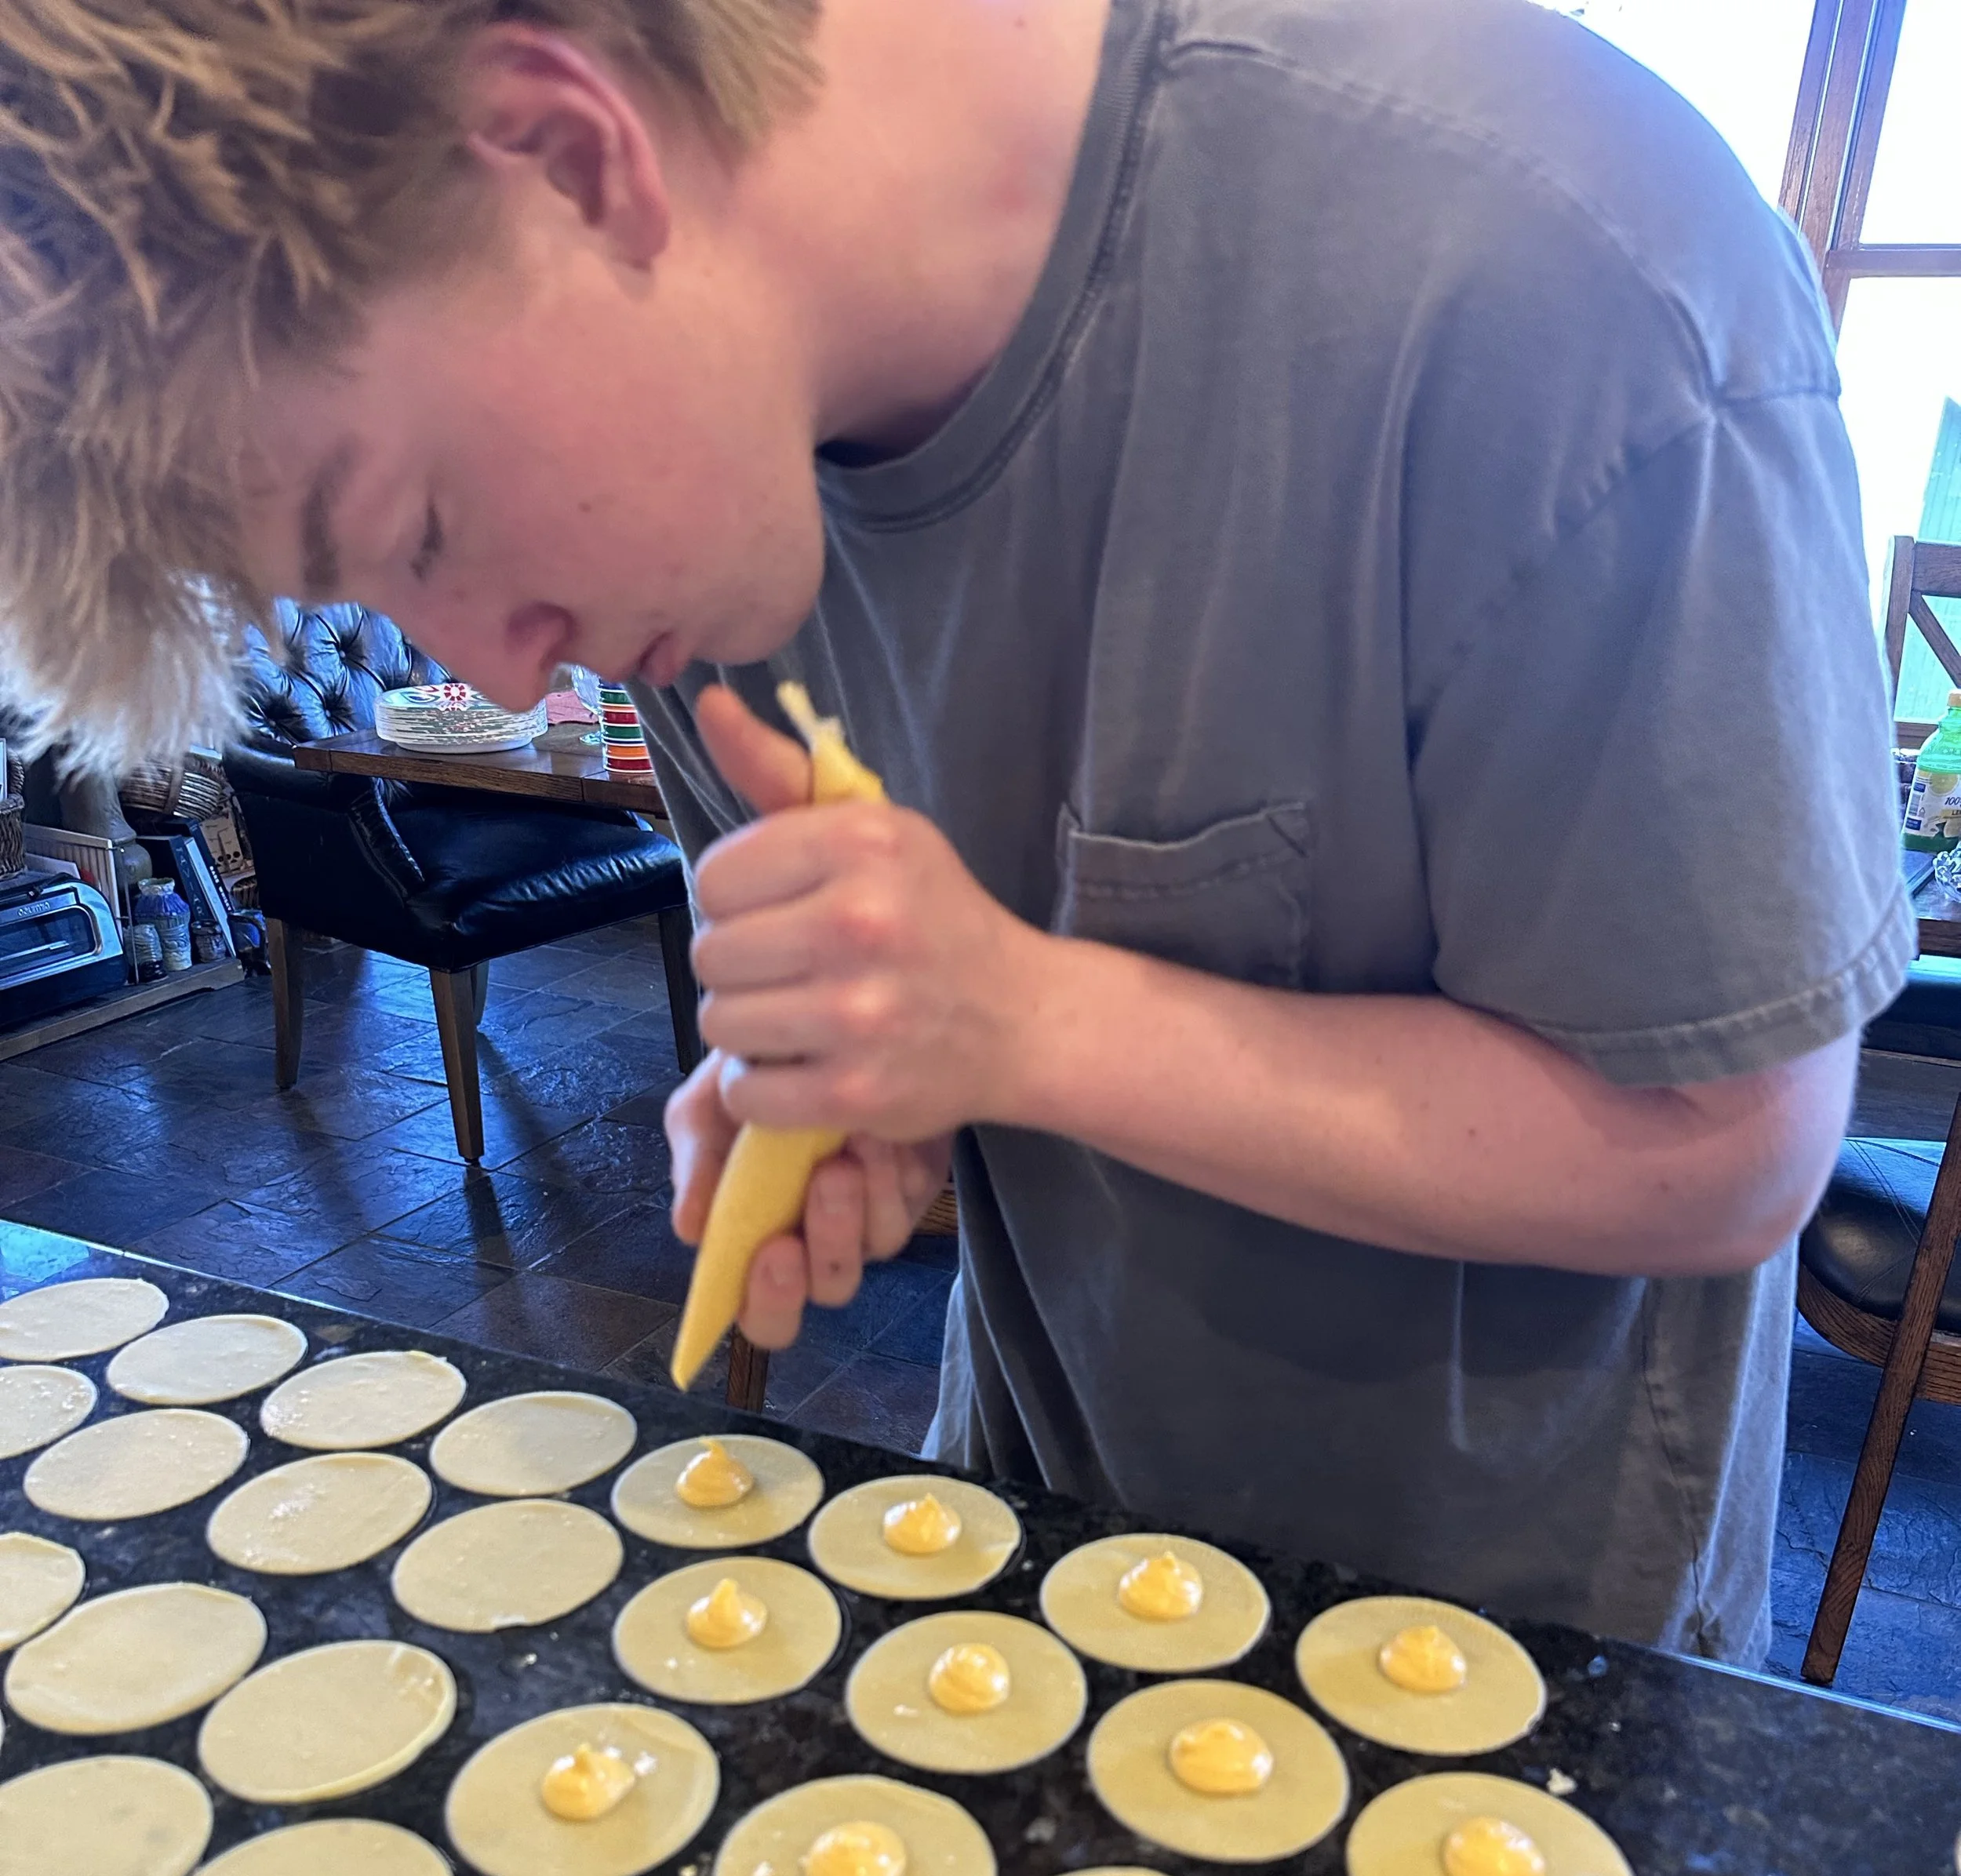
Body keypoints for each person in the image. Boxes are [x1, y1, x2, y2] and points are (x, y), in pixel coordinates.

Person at [0, 0, 1912, 1658]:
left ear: (568, 161)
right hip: (1023, 1539)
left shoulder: (1551, 273)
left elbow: (1717, 1151)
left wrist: (1016, 1018)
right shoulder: (697, 503)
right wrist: (863, 1079)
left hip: (1502, 1657)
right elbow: (955, 1039)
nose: (488, 670)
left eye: (414, 523)